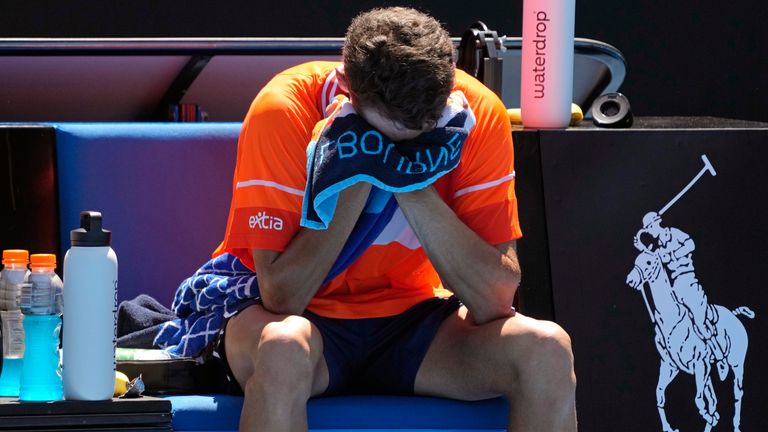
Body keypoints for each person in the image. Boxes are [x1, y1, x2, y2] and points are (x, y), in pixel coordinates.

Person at [213, 7, 576, 431]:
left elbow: (494, 300)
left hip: (415, 324)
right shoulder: (283, 107)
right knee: (282, 347)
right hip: (302, 323)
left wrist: (405, 176)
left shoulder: (476, 113)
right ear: (347, 85)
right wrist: (353, 168)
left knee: (547, 348)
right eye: (387, 131)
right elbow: (282, 297)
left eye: (423, 131)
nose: (407, 144)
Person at [634, 212, 725, 368]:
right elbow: (652, 260)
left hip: (689, 281)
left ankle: (718, 354)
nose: (649, 231)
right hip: (675, 286)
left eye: (650, 228)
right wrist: (641, 247)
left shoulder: (674, 233)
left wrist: (673, 254)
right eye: (647, 229)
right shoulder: (657, 247)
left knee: (699, 320)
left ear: (657, 223)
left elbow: (691, 245)